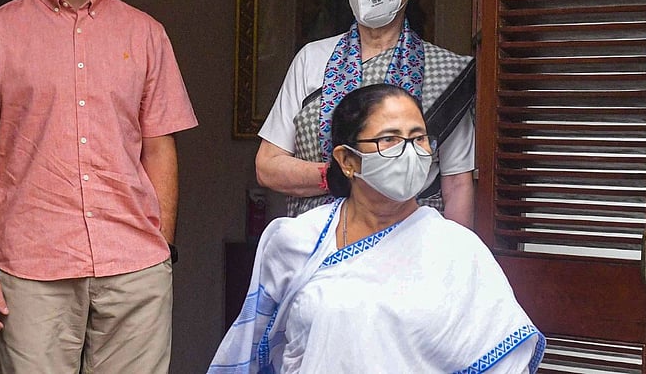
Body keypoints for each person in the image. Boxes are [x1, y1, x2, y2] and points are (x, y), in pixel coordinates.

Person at [0, 0, 197, 373]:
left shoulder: (147, 34)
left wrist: (163, 250)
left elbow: (160, 147)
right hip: (31, 268)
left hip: (134, 266)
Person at [209, 84, 544, 373]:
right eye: (390, 140)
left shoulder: (459, 251)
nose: (410, 152)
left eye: (418, 138)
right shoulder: (297, 241)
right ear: (348, 160)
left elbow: (503, 361)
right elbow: (253, 350)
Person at [255, 0, 476, 226]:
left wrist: (455, 266)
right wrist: (338, 175)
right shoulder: (311, 59)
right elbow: (268, 165)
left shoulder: (448, 75)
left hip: (410, 251)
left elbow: (457, 185)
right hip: (320, 244)